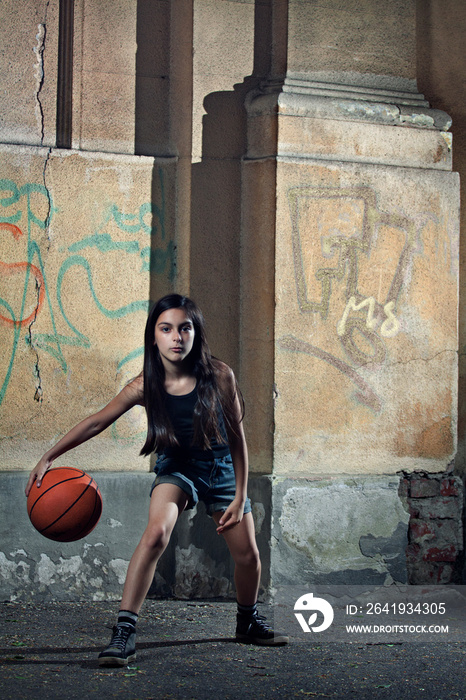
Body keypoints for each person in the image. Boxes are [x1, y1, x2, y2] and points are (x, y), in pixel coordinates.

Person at [25, 293, 288, 666]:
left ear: (196, 333)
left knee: (248, 556)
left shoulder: (219, 376)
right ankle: (124, 631)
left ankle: (247, 621)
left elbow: (237, 440)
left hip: (222, 468)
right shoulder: (144, 385)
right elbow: (98, 421)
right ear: (154, 336)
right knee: (156, 533)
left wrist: (239, 495)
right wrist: (49, 456)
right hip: (177, 466)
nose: (176, 336)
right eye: (166, 329)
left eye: (185, 328)